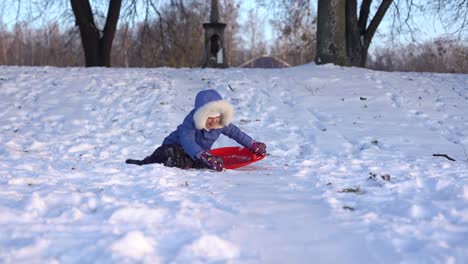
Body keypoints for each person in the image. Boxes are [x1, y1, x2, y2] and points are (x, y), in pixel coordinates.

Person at [125, 89, 266, 171]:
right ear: (201, 116)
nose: (214, 121)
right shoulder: (190, 122)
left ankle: (193, 160)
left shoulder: (221, 124)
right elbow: (187, 141)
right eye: (209, 118)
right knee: (171, 156)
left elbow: (237, 134)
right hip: (174, 147)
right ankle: (145, 163)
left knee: (198, 164)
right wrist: (204, 155)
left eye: (216, 117)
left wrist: (253, 145)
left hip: (196, 154)